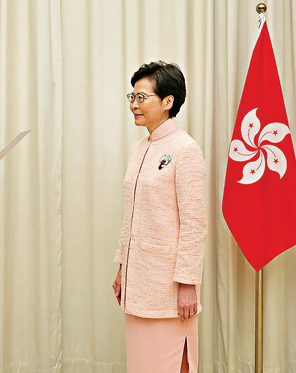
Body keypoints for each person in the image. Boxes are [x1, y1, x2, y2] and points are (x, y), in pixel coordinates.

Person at [112, 61, 207, 373]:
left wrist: (188, 283)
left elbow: (195, 223)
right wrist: (122, 267)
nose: (134, 105)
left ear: (168, 102)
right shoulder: (138, 148)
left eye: (142, 98)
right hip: (138, 280)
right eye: (132, 97)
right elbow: (133, 214)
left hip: (170, 285)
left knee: (172, 363)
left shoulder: (185, 149)